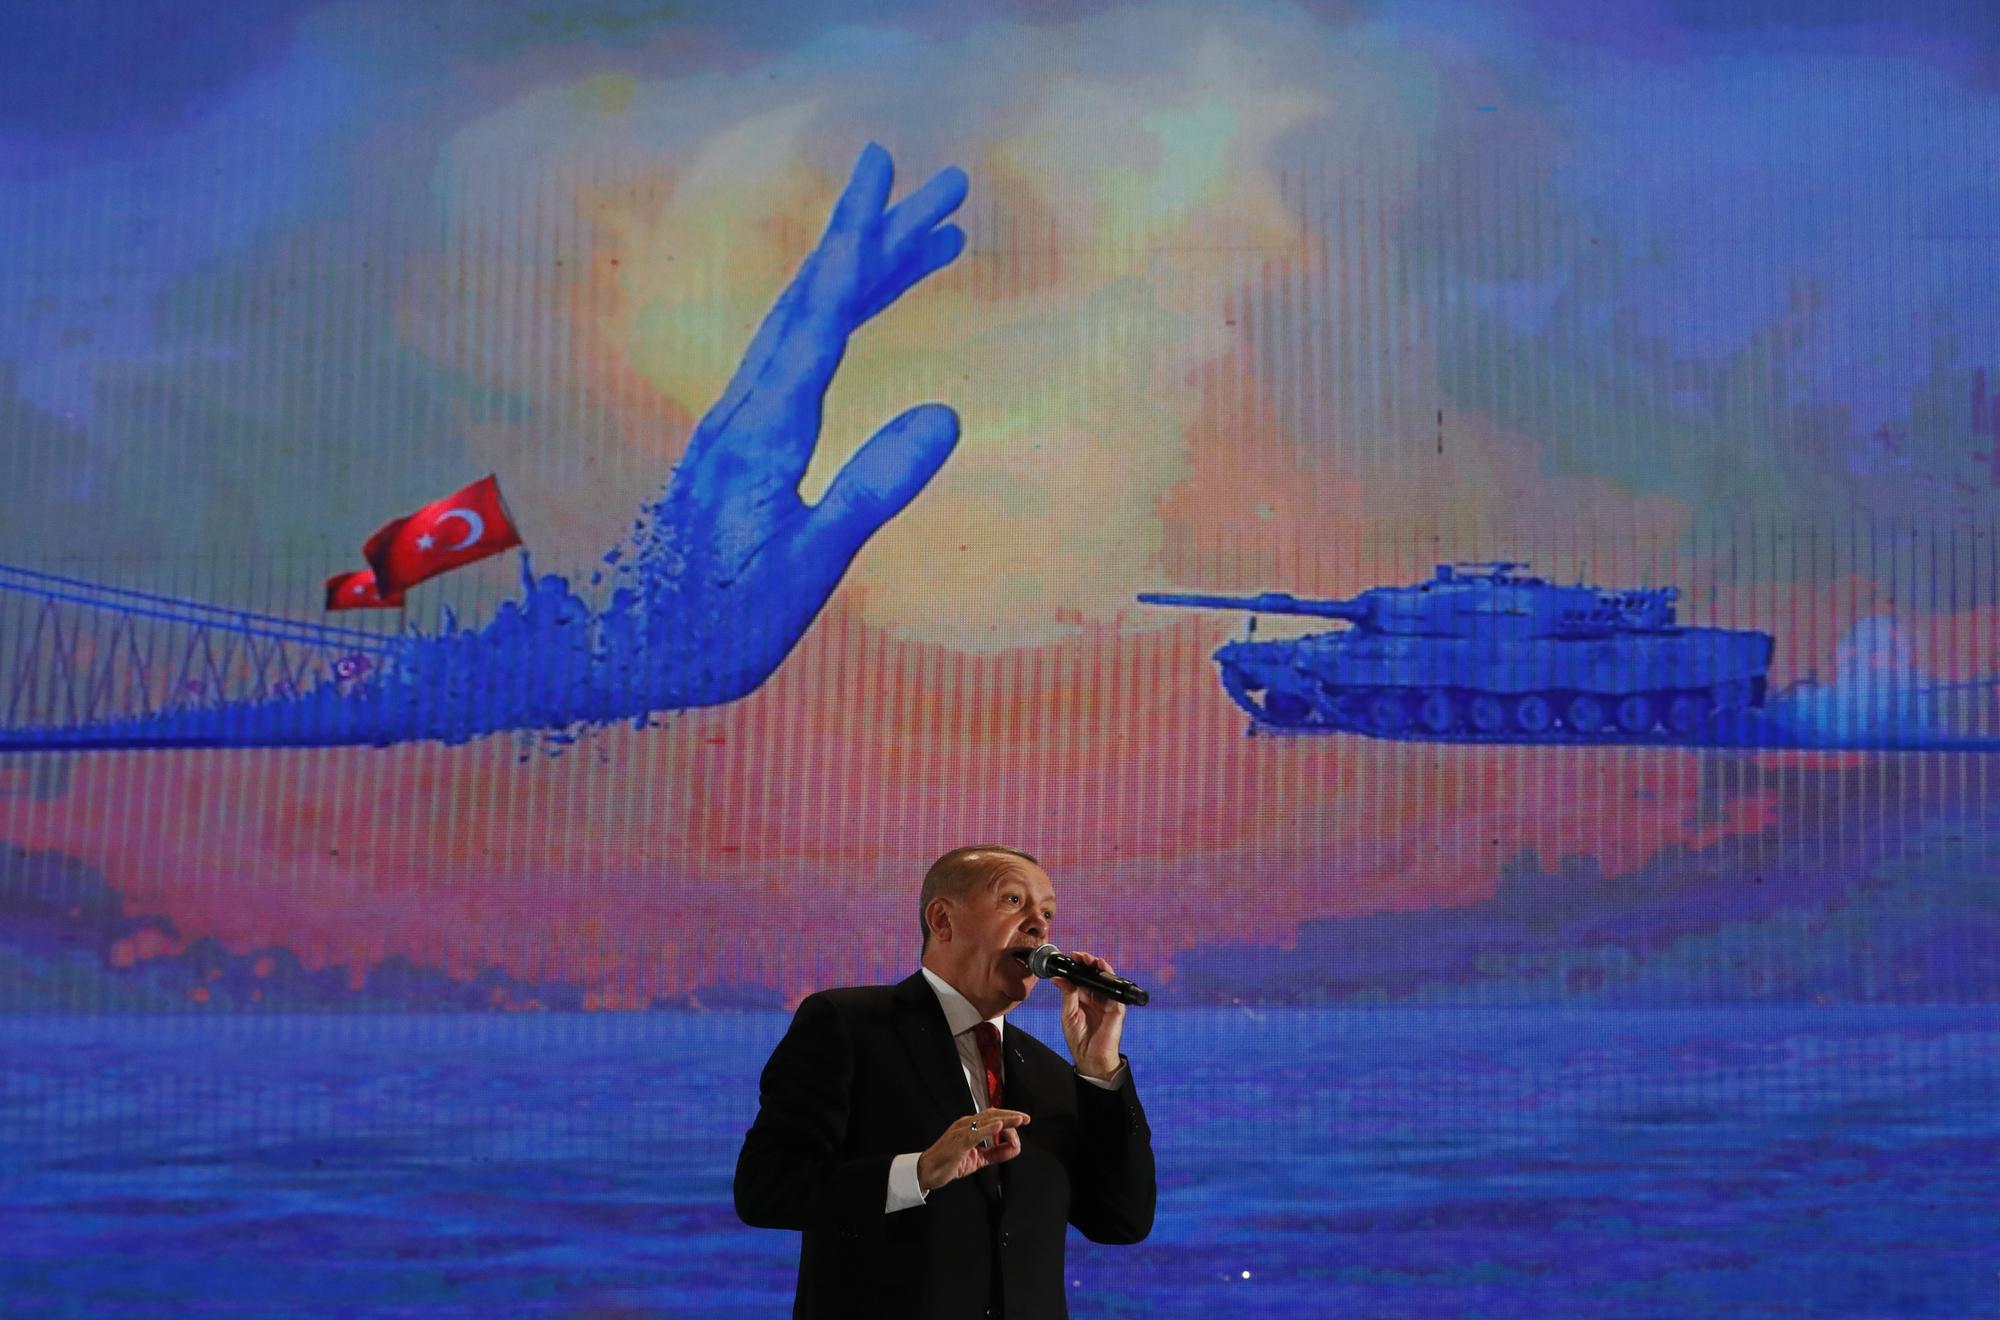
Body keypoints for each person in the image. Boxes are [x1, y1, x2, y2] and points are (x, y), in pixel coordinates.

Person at [734, 845, 1156, 1318]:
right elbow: (766, 1190)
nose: (1039, 925)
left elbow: (1122, 1221)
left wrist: (1100, 1070)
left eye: (1048, 913)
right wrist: (918, 1172)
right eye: (1014, 901)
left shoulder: (1051, 1072)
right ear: (941, 920)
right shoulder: (846, 1025)